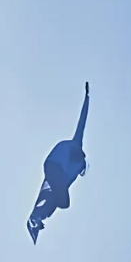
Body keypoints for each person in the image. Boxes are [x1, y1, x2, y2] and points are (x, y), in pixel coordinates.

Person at [27, 83, 89, 243]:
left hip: (54, 171)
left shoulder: (74, 168)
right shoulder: (75, 147)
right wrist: (87, 98)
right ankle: (35, 216)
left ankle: (37, 218)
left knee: (59, 199)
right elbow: (81, 124)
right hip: (54, 165)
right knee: (59, 197)